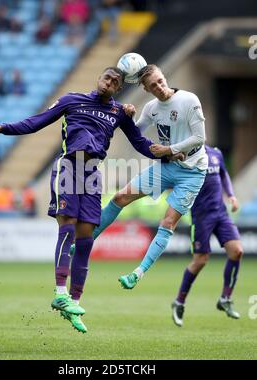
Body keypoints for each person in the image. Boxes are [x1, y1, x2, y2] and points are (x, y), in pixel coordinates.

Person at [0, 67, 180, 334]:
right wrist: (2, 127)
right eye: (107, 77)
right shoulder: (71, 99)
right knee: (67, 226)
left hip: (92, 174)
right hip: (68, 167)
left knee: (86, 240)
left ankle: (74, 302)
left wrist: (169, 153)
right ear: (99, 79)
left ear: (119, 89)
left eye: (116, 81)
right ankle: (60, 292)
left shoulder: (118, 113)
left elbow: (140, 143)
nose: (110, 82)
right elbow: (36, 121)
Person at [70, 64, 208, 294]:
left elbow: (200, 138)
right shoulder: (152, 108)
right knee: (120, 197)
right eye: (153, 85)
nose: (160, 87)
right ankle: (85, 242)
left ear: (165, 77)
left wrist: (168, 149)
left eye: (161, 81)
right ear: (146, 89)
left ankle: (138, 273)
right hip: (166, 166)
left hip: (192, 171)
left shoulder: (189, 100)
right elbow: (135, 133)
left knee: (167, 223)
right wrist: (127, 115)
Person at [171, 145, 243, 326]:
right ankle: (179, 302)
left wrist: (231, 196)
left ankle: (225, 298)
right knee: (200, 261)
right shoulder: (185, 155)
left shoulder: (216, 153)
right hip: (201, 216)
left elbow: (224, 174)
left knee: (237, 251)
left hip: (221, 213)